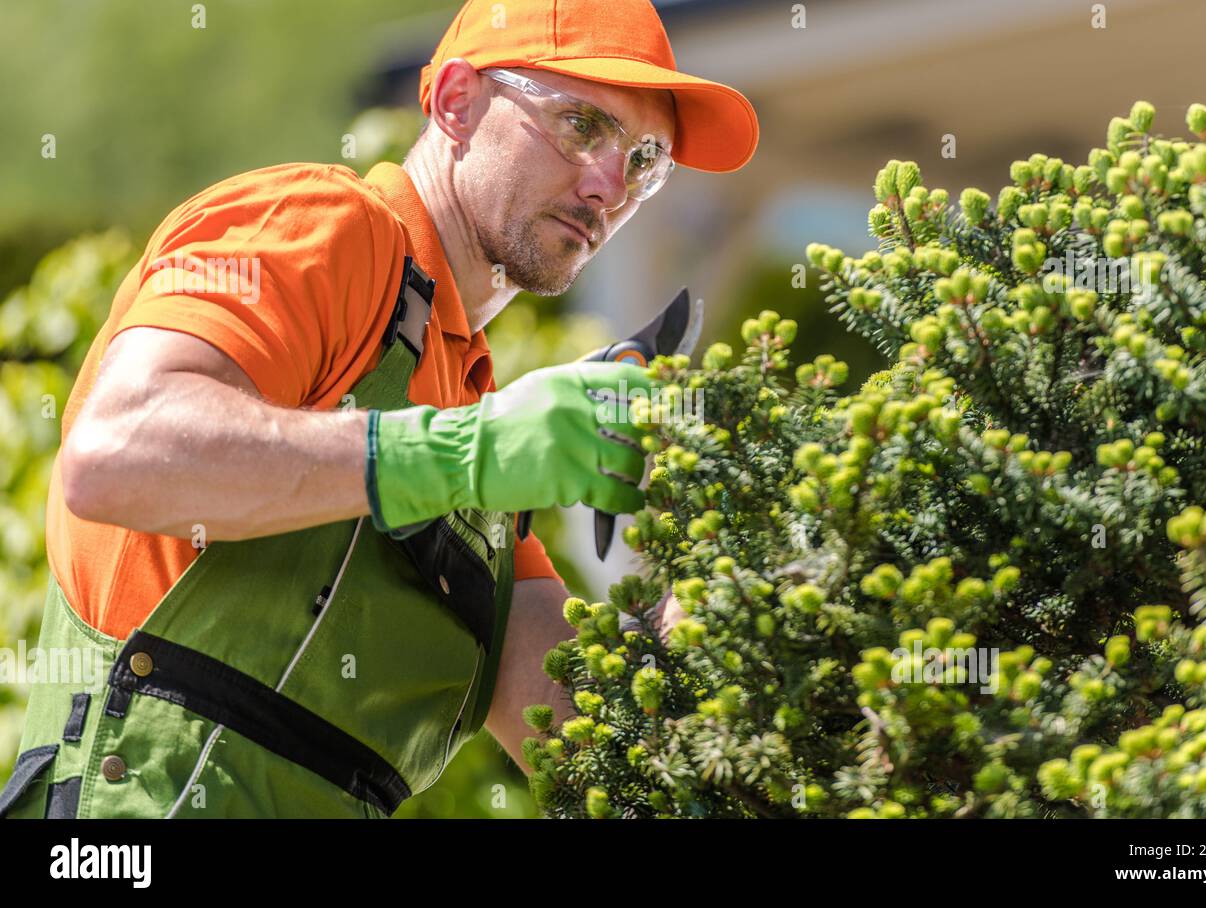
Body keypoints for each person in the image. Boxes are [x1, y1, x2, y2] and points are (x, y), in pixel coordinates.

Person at [0, 0, 758, 818]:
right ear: (456, 101)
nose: (609, 184)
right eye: (581, 125)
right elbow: (117, 451)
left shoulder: (478, 420)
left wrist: (735, 585)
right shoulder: (321, 228)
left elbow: (612, 755)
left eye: (645, 160)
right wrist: (469, 451)